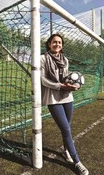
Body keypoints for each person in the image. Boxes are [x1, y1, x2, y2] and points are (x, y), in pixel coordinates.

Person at [41, 33, 89, 175]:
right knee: (66, 130)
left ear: (62, 46)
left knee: (66, 128)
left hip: (67, 97)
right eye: (54, 42)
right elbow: (43, 79)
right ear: (49, 44)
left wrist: (70, 84)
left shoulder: (65, 60)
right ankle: (77, 162)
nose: (57, 44)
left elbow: (66, 78)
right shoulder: (43, 59)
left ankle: (66, 150)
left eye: (60, 43)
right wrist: (61, 86)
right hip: (53, 98)